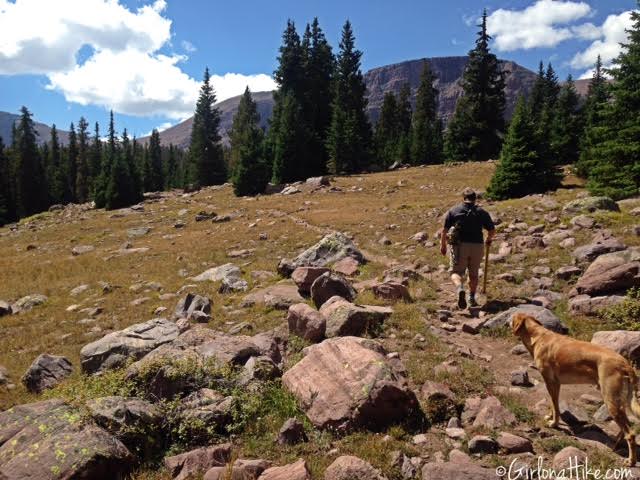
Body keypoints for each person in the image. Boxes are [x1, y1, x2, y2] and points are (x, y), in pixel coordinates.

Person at [440, 188, 495, 309]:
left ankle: (460, 288)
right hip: (477, 246)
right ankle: (471, 298)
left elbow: (444, 230)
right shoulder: (482, 212)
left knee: (455, 272)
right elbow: (492, 230)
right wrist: (488, 239)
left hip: (460, 246)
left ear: (463, 198)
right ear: (475, 199)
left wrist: (443, 245)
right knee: (473, 274)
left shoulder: (454, 211)